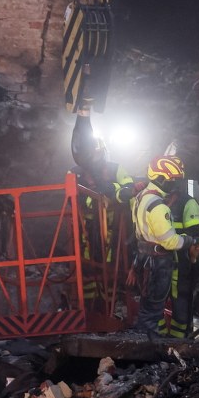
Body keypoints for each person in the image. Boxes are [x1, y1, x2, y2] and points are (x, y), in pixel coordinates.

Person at [70, 105, 135, 308]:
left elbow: (129, 188)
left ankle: (109, 305)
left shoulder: (115, 169)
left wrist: (111, 188)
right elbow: (70, 195)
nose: (95, 157)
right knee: (87, 267)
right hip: (85, 226)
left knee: (111, 266)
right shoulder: (76, 172)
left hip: (113, 226)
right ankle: (88, 306)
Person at [131, 157, 199, 334]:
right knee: (154, 310)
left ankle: (151, 345)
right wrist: (192, 241)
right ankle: (150, 349)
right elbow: (170, 241)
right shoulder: (158, 205)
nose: (174, 185)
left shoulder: (140, 198)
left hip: (145, 258)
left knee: (148, 307)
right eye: (172, 180)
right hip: (159, 262)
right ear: (161, 179)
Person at [164, 156, 199, 339]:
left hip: (181, 261)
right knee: (161, 298)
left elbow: (195, 235)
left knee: (181, 297)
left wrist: (191, 260)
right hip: (163, 259)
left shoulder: (188, 203)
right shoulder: (160, 201)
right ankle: (163, 337)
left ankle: (180, 338)